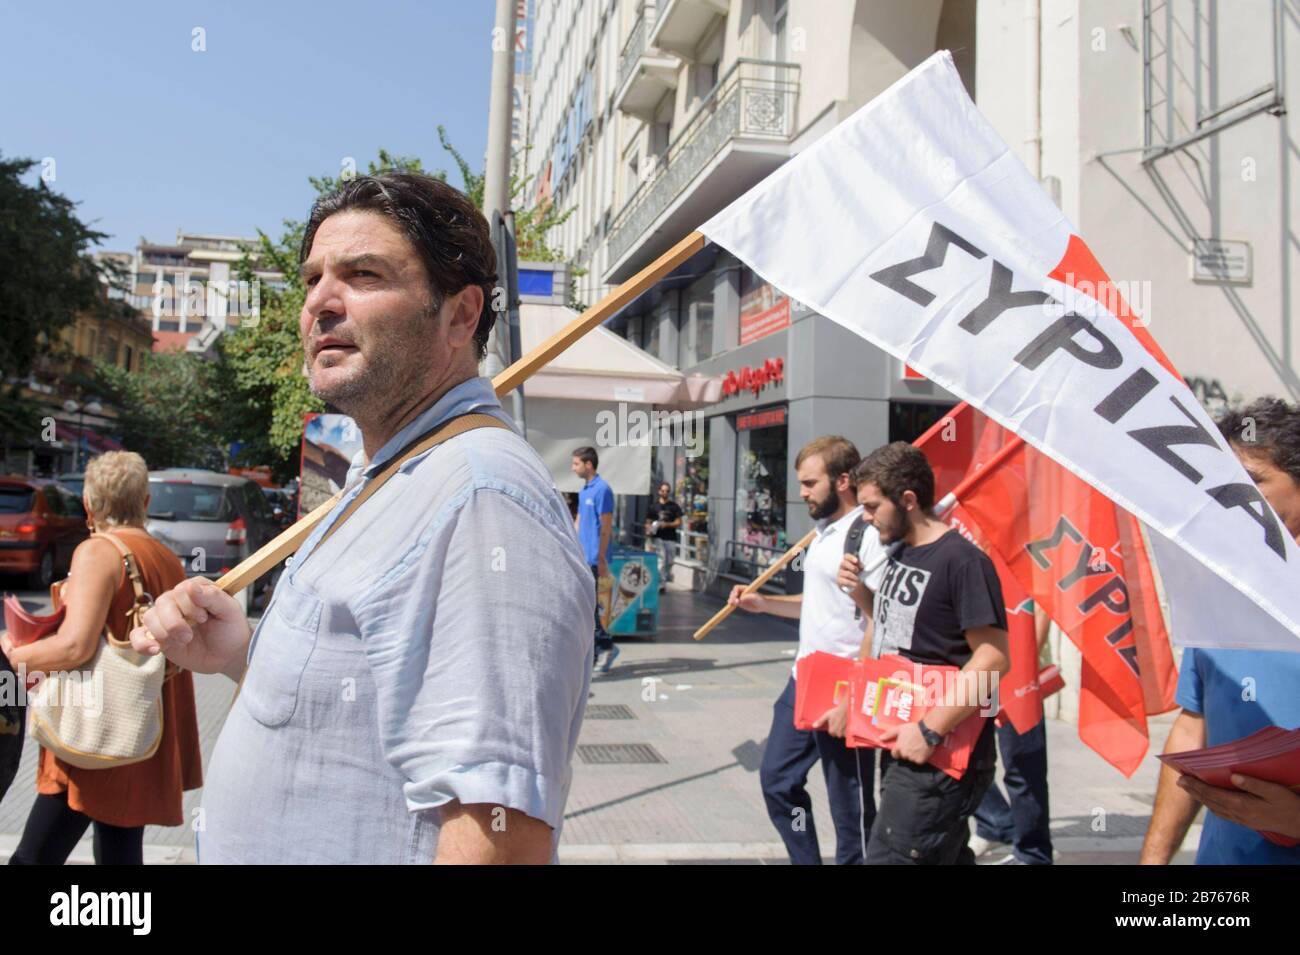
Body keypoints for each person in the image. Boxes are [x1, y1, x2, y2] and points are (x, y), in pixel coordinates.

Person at [131, 172, 594, 864]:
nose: (319, 301)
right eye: (313, 276)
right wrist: (240, 654)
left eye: (364, 274)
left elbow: (498, 832)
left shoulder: (479, 497)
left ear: (461, 315)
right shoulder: (388, 474)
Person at [3, 451, 202, 865]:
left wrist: (11, 656)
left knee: (34, 857)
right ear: (145, 502)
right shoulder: (164, 557)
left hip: (93, 729)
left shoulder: (98, 552)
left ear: (88, 504)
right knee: (119, 849)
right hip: (139, 727)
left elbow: (75, 646)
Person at [1141, 398, 1300, 864]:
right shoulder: (1219, 590)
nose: (1234, 500)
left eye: (1253, 482)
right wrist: (1153, 859)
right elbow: (1194, 726)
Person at [847, 441, 1010, 865]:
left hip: (940, 754)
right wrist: (860, 593)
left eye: (871, 506)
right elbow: (898, 629)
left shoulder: (963, 562)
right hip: (903, 739)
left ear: (908, 500)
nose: (865, 518)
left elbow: (992, 658)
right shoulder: (901, 551)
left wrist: (929, 730)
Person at [729, 436, 886, 864]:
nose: (802, 493)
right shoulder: (823, 533)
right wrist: (764, 604)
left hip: (844, 681)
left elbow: (879, 619)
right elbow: (818, 605)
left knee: (849, 801)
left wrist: (854, 693)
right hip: (804, 678)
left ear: (843, 480)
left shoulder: (867, 536)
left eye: (810, 483)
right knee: (777, 780)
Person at [969, 604, 1055, 864]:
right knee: (968, 758)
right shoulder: (975, 563)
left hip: (1018, 676)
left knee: (1022, 765)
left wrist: (1023, 672)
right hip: (982, 673)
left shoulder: (1028, 562)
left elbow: (1043, 606)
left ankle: (1033, 852)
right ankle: (993, 822)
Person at [572, 447, 618, 672]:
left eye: (576, 464)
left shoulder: (603, 490)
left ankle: (606, 646)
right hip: (583, 556)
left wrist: (601, 558)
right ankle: (595, 651)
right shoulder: (584, 490)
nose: (573, 468)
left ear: (588, 464)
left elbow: (606, 526)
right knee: (585, 607)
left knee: (589, 608)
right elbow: (579, 521)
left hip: (594, 557)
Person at [645, 481, 682, 591]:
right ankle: (661, 584)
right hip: (657, 537)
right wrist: (648, 530)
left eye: (667, 491)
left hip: (670, 537)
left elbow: (679, 522)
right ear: (659, 491)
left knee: (669, 561)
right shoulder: (653, 506)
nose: (664, 493)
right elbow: (648, 521)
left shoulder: (674, 506)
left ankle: (663, 579)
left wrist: (667, 524)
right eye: (663, 491)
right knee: (661, 560)